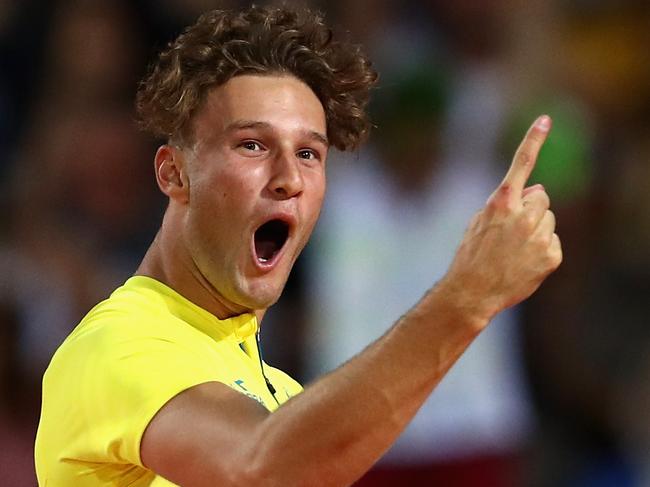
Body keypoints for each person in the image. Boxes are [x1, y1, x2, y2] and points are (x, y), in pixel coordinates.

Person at [34, 5, 562, 487]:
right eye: (252, 145)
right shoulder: (117, 344)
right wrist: (466, 299)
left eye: (309, 153)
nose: (289, 176)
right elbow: (257, 467)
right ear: (175, 172)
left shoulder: (281, 399)